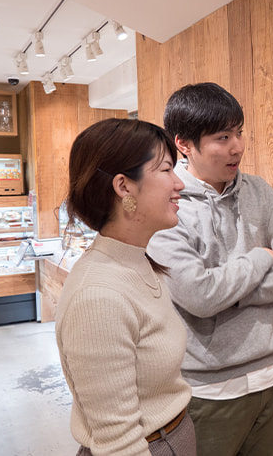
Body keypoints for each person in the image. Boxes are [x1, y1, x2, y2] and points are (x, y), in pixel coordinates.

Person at [147, 82, 273, 456]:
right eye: (222, 137)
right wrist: (261, 259)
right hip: (210, 389)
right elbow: (199, 296)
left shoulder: (259, 191)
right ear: (185, 144)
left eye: (239, 133)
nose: (237, 146)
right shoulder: (167, 207)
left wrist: (227, 293)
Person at [55, 118, 196, 456]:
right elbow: (119, 443)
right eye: (165, 170)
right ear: (124, 186)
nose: (179, 184)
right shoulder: (98, 295)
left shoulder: (137, 261)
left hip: (171, 436)